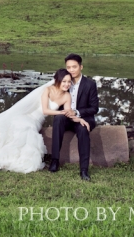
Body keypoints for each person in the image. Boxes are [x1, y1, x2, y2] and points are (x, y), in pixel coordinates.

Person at [49, 53, 99, 181]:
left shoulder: (90, 84)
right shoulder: (63, 82)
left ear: (81, 67)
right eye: (68, 67)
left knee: (82, 129)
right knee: (58, 119)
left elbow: (94, 108)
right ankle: (54, 161)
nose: (71, 70)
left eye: (74, 67)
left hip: (82, 117)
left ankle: (84, 170)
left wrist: (76, 112)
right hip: (65, 117)